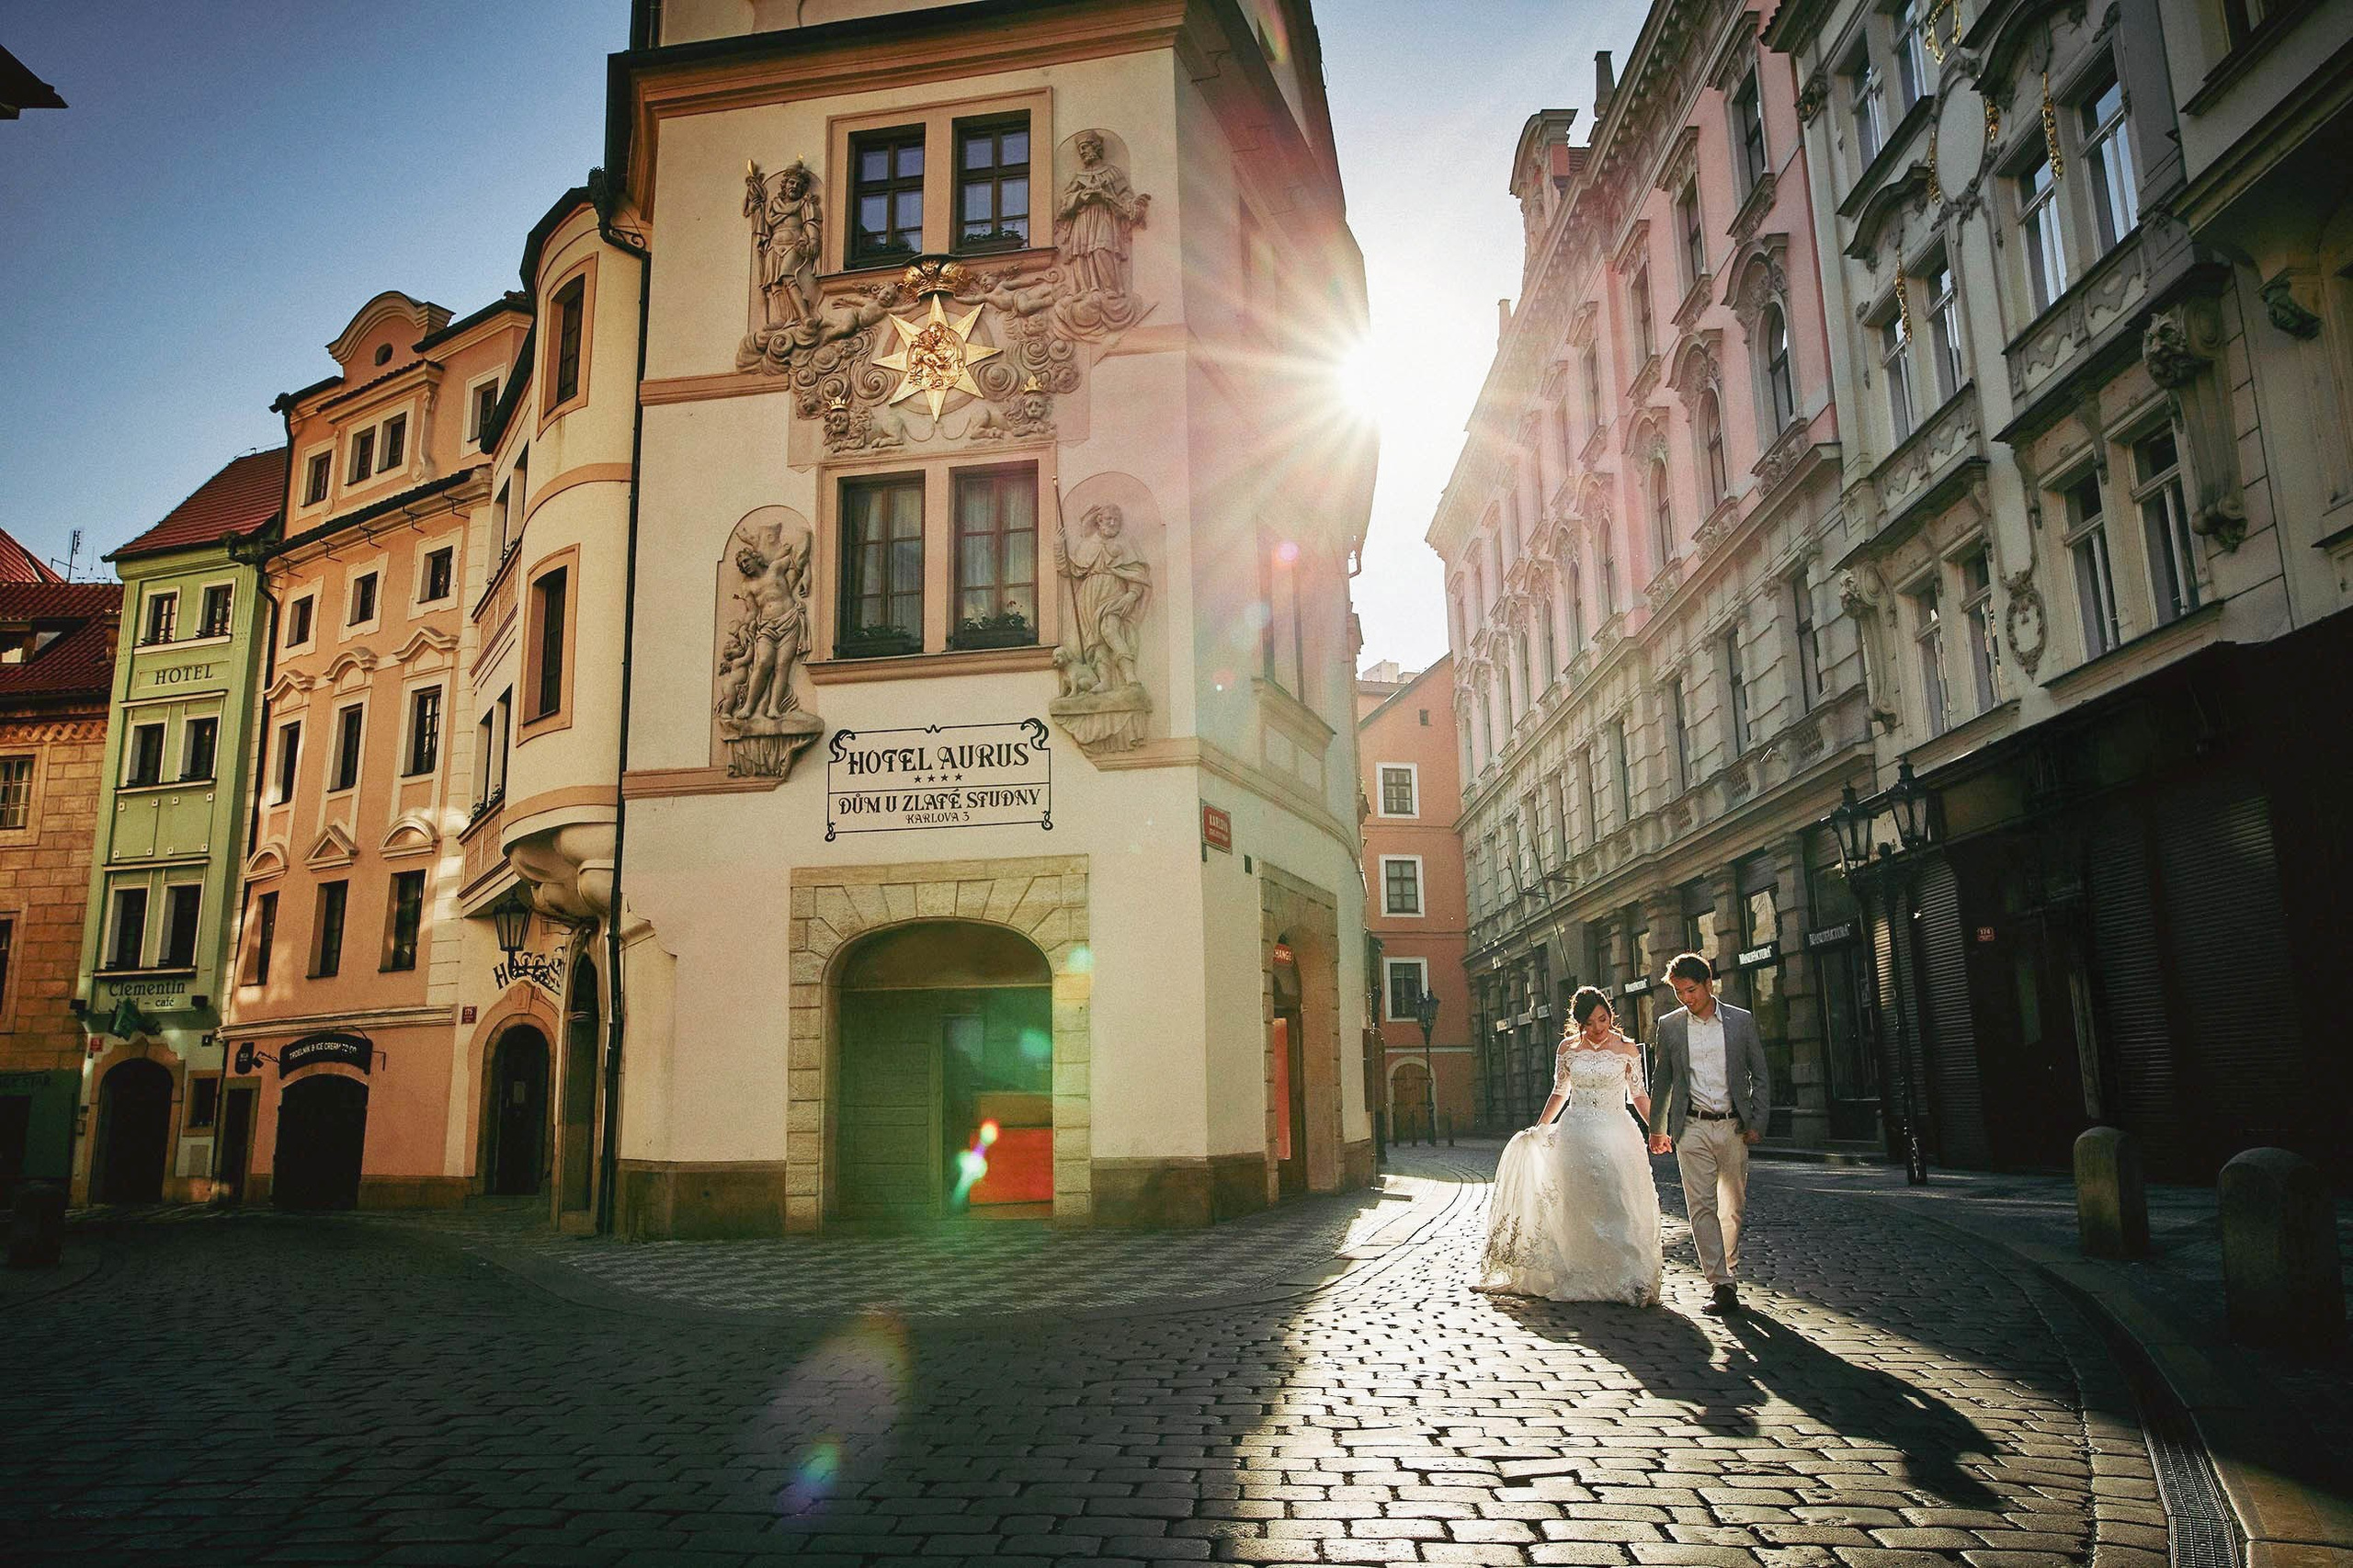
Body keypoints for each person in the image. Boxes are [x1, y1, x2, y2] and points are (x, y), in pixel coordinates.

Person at [1474, 986, 1661, 1305]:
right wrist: (1541, 1127)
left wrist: (1657, 1128)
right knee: (1578, 1206)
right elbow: (1560, 1092)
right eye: (1590, 1023)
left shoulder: (1628, 1049)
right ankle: (1580, 1273)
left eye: (1603, 1019)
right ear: (1580, 1024)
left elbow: (1639, 1095)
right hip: (1577, 1134)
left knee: (1619, 1202)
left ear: (1610, 1015)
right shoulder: (1568, 1049)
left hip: (1618, 1133)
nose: (1599, 1028)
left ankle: (1630, 1278)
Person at [1646, 953, 1773, 1316]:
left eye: (1691, 990)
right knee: (1701, 1206)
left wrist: (1756, 1123)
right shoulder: (1670, 1026)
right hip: (1693, 1128)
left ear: (1708, 984)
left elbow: (1759, 1074)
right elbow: (1664, 1080)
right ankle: (1721, 1283)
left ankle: (1728, 1268)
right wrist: (1657, 1129)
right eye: (1679, 992)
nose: (1686, 998)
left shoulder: (1740, 1022)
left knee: (1732, 1207)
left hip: (1734, 1126)